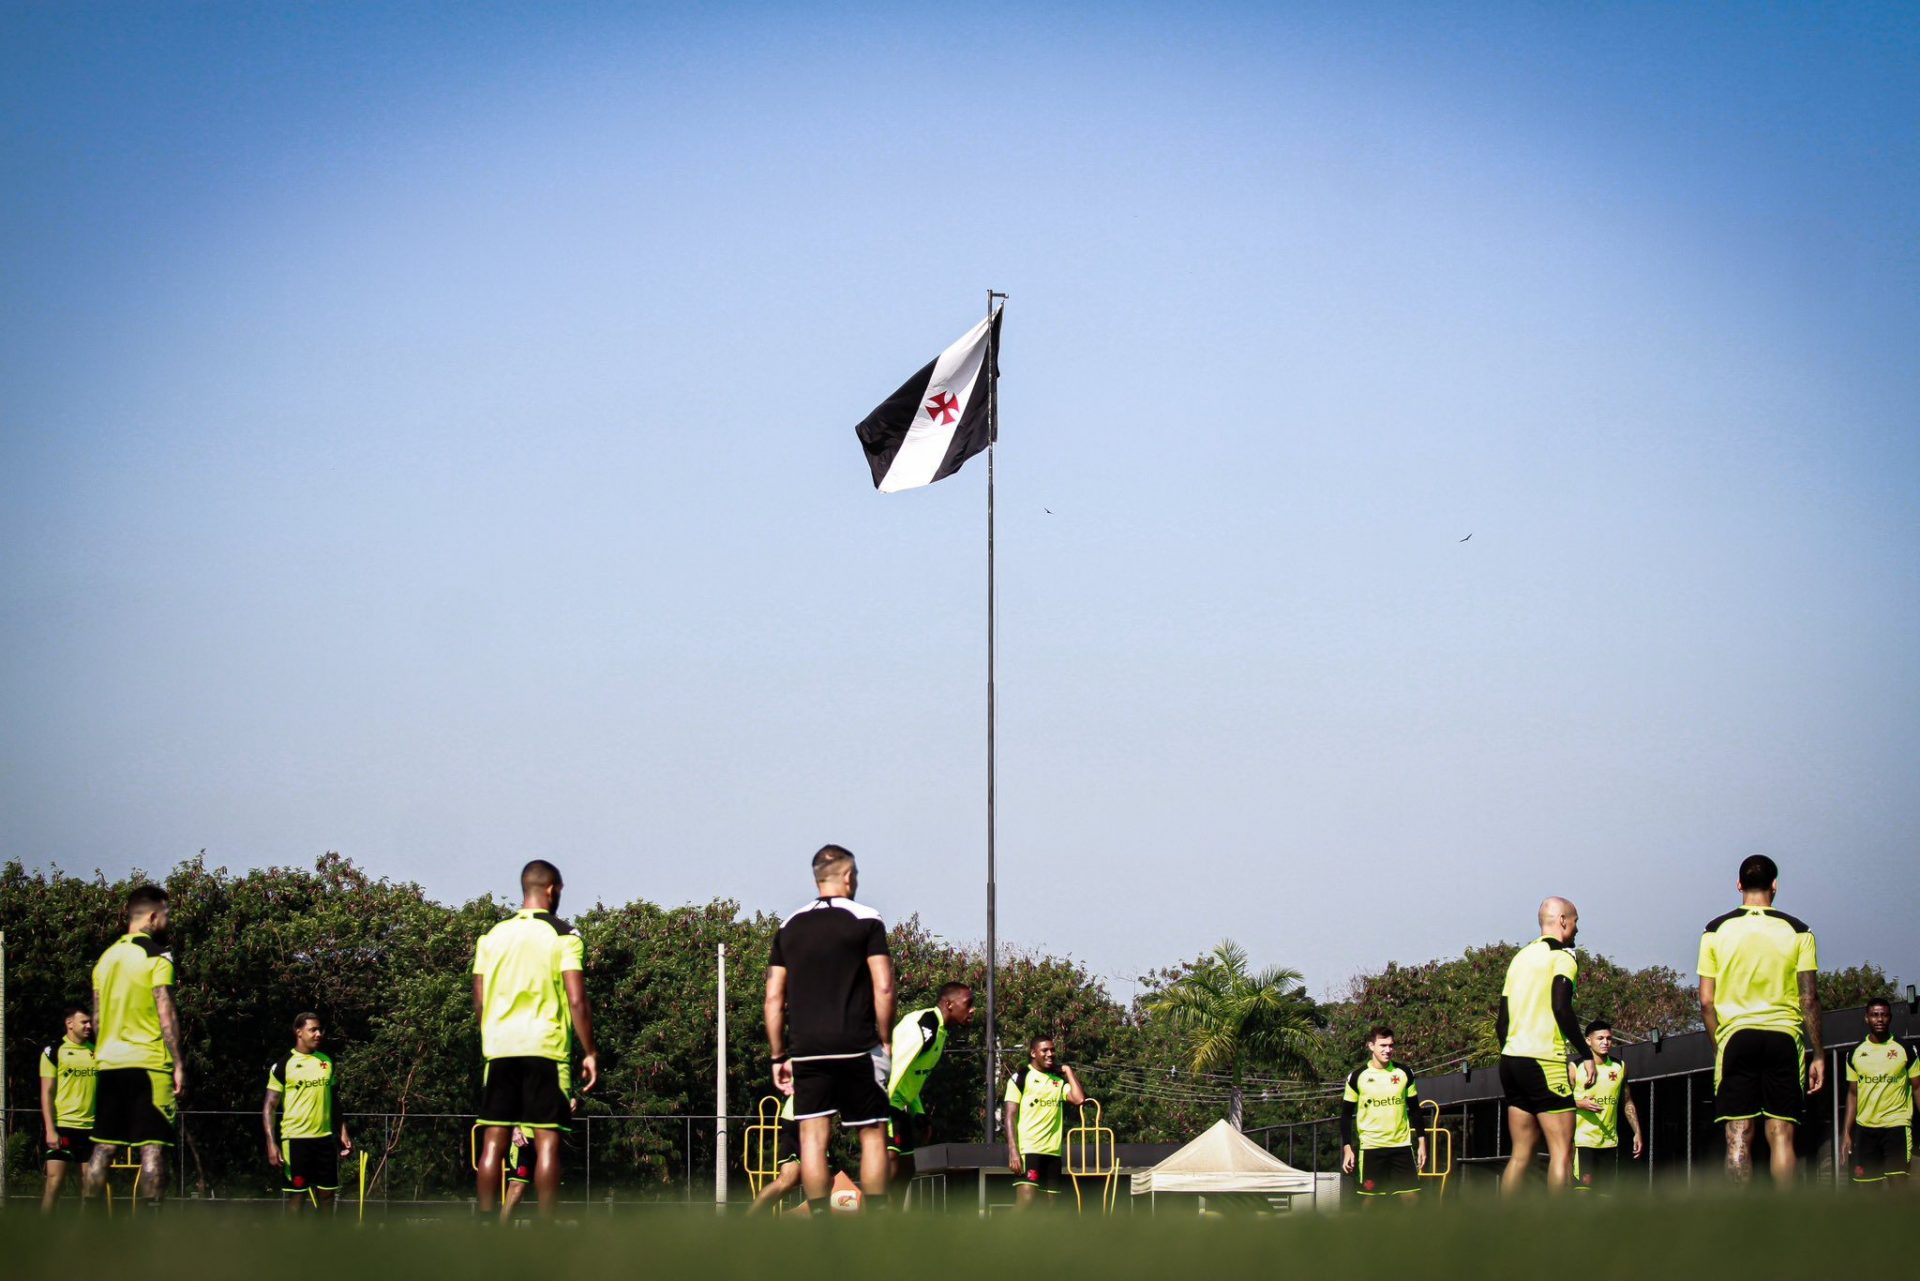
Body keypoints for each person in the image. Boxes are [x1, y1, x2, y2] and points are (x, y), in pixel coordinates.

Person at [764, 844, 896, 1216]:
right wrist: (884, 1037)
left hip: (807, 1049)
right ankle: (877, 1218)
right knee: (871, 1133)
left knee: (812, 1135)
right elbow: (883, 985)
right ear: (849, 876)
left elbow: (773, 998)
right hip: (857, 1044)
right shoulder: (867, 919)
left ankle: (820, 1219)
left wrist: (778, 1055)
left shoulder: (789, 926)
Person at [472, 859, 599, 1219]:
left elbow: (479, 1001)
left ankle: (484, 1227)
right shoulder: (564, 935)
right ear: (551, 889)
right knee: (546, 1143)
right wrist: (590, 1051)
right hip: (544, 1048)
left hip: (499, 1049)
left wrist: (492, 1037)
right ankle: (545, 1233)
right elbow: (577, 999)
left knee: (492, 1142)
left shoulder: (492, 936)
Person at [1698, 853, 1823, 1187]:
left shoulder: (1714, 930)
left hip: (1736, 1037)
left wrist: (1719, 1045)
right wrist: (1820, 1054)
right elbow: (1808, 998)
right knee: (1782, 1133)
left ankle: (1741, 1220)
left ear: (1739, 885)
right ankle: (1785, 1219)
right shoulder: (1799, 931)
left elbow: (1706, 1001)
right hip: (1783, 1038)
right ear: (1775, 886)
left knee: (1738, 1133)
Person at [82, 884, 185, 1210]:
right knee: (152, 1148)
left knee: (103, 1148)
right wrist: (178, 1061)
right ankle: (151, 1229)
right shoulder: (156, 956)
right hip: (149, 1064)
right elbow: (165, 1012)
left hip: (109, 1063)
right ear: (153, 915)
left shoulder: (105, 959)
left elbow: (96, 1020)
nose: (167, 921)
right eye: (166, 914)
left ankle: (88, 1222)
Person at [1497, 897, 1594, 1195]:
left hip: (1511, 1061)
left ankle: (1503, 1225)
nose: (1577, 928)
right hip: (1544, 1061)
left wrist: (1513, 1050)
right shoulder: (1563, 957)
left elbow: (1502, 1022)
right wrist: (1585, 1053)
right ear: (1563, 920)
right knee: (1562, 1151)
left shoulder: (1520, 958)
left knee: (1521, 1153)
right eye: (1576, 921)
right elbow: (1561, 1007)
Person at [886, 982, 975, 1188]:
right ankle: (865, 1212)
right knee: (890, 1162)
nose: (972, 1009)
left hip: (898, 1105)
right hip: (883, 1101)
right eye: (968, 1003)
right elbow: (895, 1065)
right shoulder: (924, 1026)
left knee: (906, 1167)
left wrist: (919, 1112)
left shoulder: (940, 1031)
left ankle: (890, 1219)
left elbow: (912, 1075)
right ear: (949, 1004)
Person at [263, 1012, 353, 1212]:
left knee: (328, 1195)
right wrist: (271, 1142)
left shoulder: (326, 1062)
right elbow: (269, 1106)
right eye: (313, 1030)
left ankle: (324, 1241)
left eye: (320, 1029)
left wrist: (343, 1130)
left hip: (325, 1140)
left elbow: (335, 1102)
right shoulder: (283, 1065)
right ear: (299, 1032)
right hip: (295, 1140)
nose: (318, 1034)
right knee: (298, 1196)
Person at [1340, 1026, 1426, 1204]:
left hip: (1401, 1146)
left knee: (1412, 1199)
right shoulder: (1357, 1077)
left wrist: (1422, 1143)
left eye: (1391, 1045)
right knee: (1371, 1202)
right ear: (1371, 1046)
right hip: (1372, 1148)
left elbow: (1415, 1110)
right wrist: (1347, 1148)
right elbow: (1346, 1116)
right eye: (1383, 1045)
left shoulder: (1404, 1073)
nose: (1388, 1050)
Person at [1839, 997, 1916, 1189]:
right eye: (1874, 1015)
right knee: (1868, 1194)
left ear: (1890, 1018)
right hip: (1865, 1130)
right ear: (1867, 1018)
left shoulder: (1905, 1049)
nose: (1879, 1019)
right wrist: (1846, 1133)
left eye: (1883, 1015)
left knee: (1899, 1187)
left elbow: (1917, 1087)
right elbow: (1852, 1094)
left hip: (1897, 1126)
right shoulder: (1855, 1053)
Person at [1003, 1034, 1087, 1210]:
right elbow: (1010, 1115)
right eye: (1045, 1050)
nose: (1050, 1054)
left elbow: (1079, 1099)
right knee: (1027, 1199)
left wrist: (1069, 1071)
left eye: (1053, 1050)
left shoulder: (1057, 1080)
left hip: (1053, 1153)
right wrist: (1013, 1150)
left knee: (1050, 1205)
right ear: (1033, 1053)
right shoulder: (1021, 1077)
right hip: (1029, 1149)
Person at [1571, 1019, 1643, 1193]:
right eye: (1600, 1038)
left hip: (1610, 1142)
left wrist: (1637, 1132)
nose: (1605, 1042)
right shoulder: (1575, 1067)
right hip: (1583, 1141)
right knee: (1583, 1194)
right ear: (1588, 1040)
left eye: (1609, 1038)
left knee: (1606, 1196)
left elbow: (1627, 1101)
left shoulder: (1620, 1067)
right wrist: (1580, 1103)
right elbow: (1559, 1102)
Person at [39, 1004, 96, 1212]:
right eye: (84, 1022)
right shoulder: (53, 1051)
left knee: (90, 1190)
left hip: (91, 1129)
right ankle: (43, 1235)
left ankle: (84, 1239)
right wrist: (50, 1129)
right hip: (63, 1127)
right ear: (69, 1024)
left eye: (90, 1022)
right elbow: (47, 1092)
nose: (89, 1026)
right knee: (54, 1184)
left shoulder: (96, 1052)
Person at [746, 1093, 803, 1215]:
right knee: (821, 1176)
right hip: (810, 1115)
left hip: (791, 1114)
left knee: (788, 1180)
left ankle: (747, 1222)